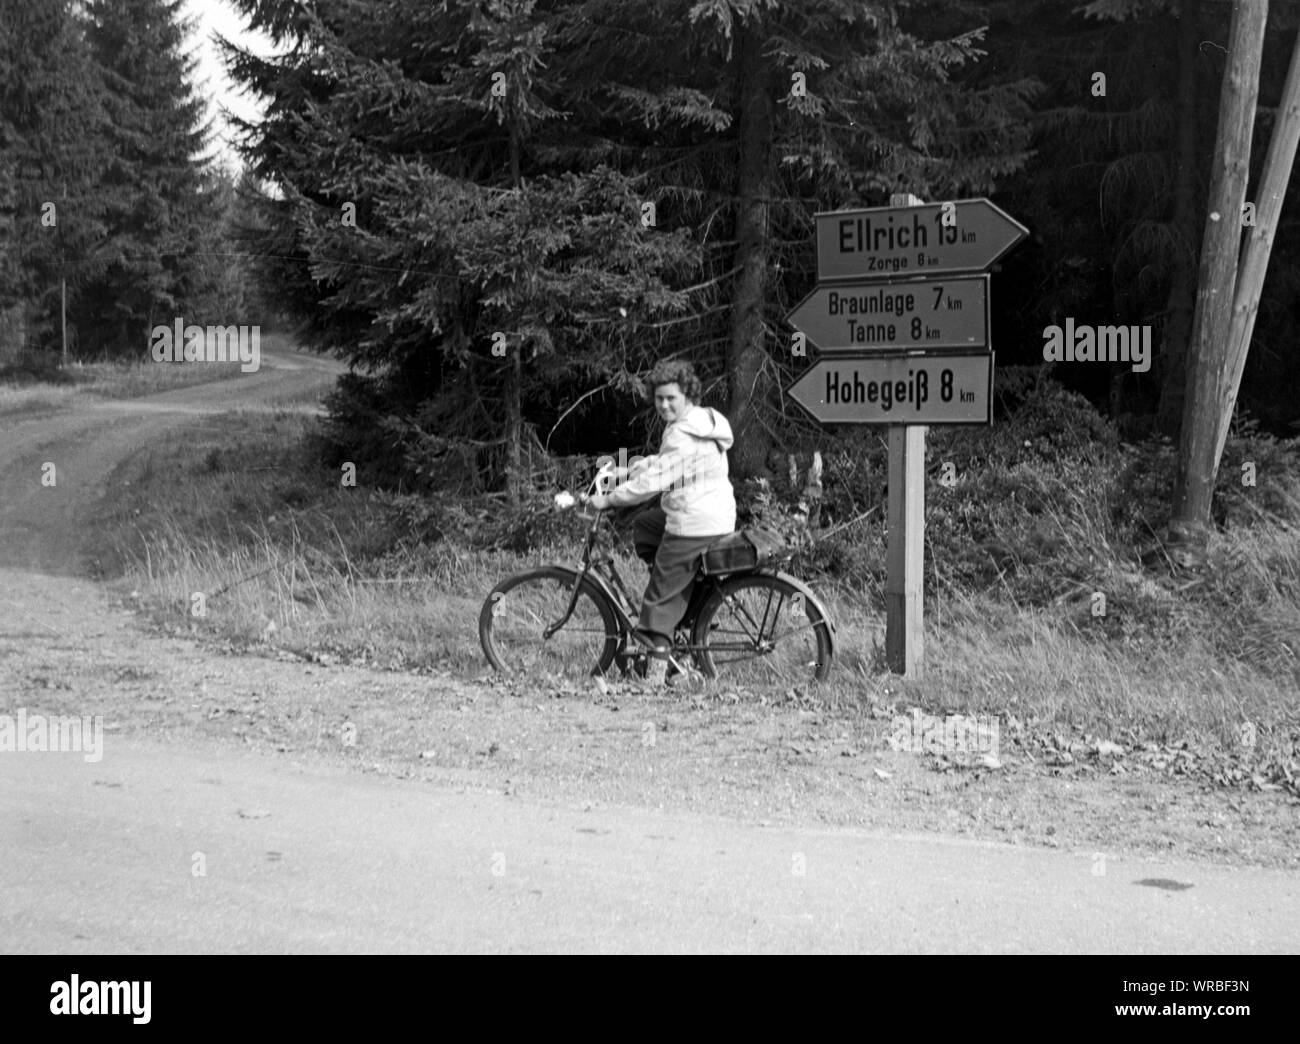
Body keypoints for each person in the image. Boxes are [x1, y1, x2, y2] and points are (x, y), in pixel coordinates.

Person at [583, 360, 735, 684]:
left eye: (671, 398)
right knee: (647, 528)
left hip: (693, 523)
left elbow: (655, 482)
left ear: (687, 395)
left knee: (660, 595)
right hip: (717, 514)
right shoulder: (700, 420)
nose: (664, 405)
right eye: (659, 398)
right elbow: (667, 464)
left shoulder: (683, 431)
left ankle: (654, 675)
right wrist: (628, 470)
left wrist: (608, 498)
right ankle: (688, 606)